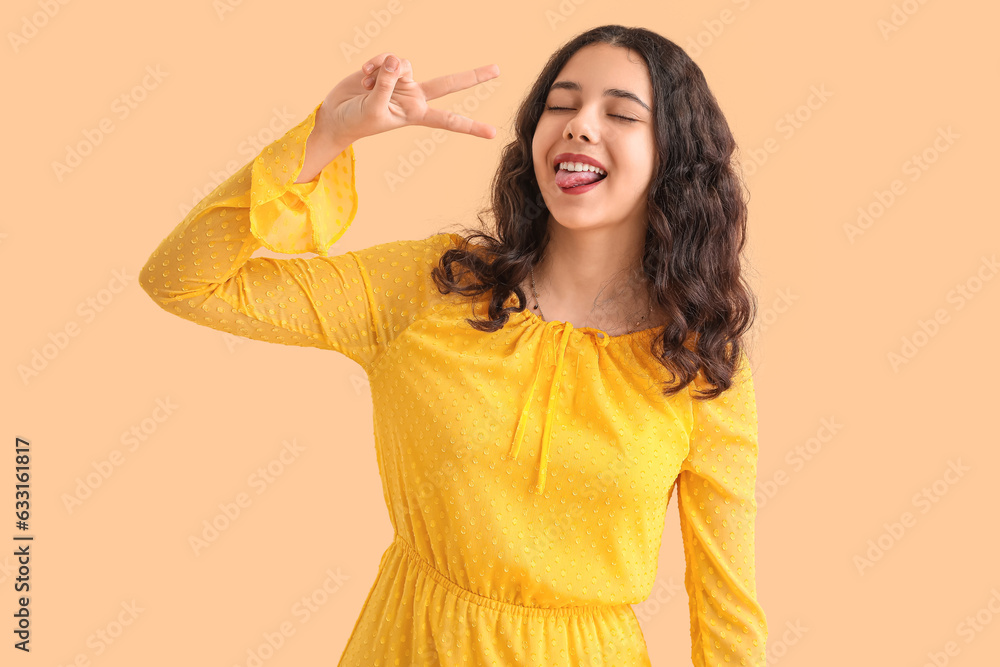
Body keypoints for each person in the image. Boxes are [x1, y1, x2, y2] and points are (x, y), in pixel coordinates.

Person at [140, 24, 767, 667]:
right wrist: (326, 137)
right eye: (561, 103)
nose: (579, 125)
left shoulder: (700, 361)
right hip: (409, 644)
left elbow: (726, 608)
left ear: (676, 155)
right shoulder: (429, 286)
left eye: (621, 113)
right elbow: (181, 282)